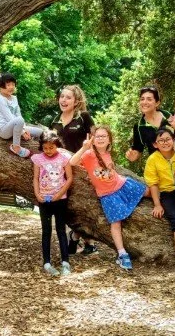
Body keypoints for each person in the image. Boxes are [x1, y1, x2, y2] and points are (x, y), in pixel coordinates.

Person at [69, 125, 147, 270]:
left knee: (147, 192)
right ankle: (122, 253)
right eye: (97, 136)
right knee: (116, 223)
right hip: (108, 195)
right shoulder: (89, 154)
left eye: (103, 136)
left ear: (109, 140)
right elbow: (72, 162)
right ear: (93, 139)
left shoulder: (107, 153)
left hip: (122, 185)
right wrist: (84, 148)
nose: (100, 139)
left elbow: (108, 172)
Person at [143, 127, 175, 278]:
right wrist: (157, 204)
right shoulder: (153, 159)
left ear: (173, 140)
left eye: (168, 139)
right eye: (161, 140)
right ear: (155, 144)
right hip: (168, 193)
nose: (165, 143)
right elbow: (153, 184)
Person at [50, 84, 96, 254]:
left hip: (83, 168)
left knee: (85, 206)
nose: (64, 100)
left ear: (76, 101)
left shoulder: (83, 117)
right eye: (62, 96)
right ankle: (79, 238)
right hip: (62, 171)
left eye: (68, 97)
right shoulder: (54, 121)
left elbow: (95, 139)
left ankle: (81, 239)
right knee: (69, 207)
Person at [30, 131, 73, 276]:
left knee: (61, 230)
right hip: (44, 200)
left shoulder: (64, 158)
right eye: (45, 148)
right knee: (46, 231)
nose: (48, 151)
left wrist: (59, 195)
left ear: (57, 145)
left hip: (60, 200)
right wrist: (37, 194)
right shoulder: (38, 159)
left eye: (51, 147)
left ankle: (65, 262)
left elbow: (69, 178)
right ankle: (47, 262)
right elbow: (36, 178)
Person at [0, 72, 43, 158]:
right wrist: (23, 132)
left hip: (17, 126)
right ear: (0, 86)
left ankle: (42, 149)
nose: (11, 87)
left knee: (40, 132)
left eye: (13, 84)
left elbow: (18, 114)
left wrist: (24, 129)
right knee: (19, 120)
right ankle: (16, 147)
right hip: (4, 130)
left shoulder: (14, 98)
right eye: (8, 85)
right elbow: (9, 118)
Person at [125, 86, 172, 163]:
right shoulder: (138, 126)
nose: (144, 102)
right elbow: (138, 149)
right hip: (157, 165)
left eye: (149, 99)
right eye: (142, 99)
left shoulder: (169, 116)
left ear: (157, 103)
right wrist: (133, 155)